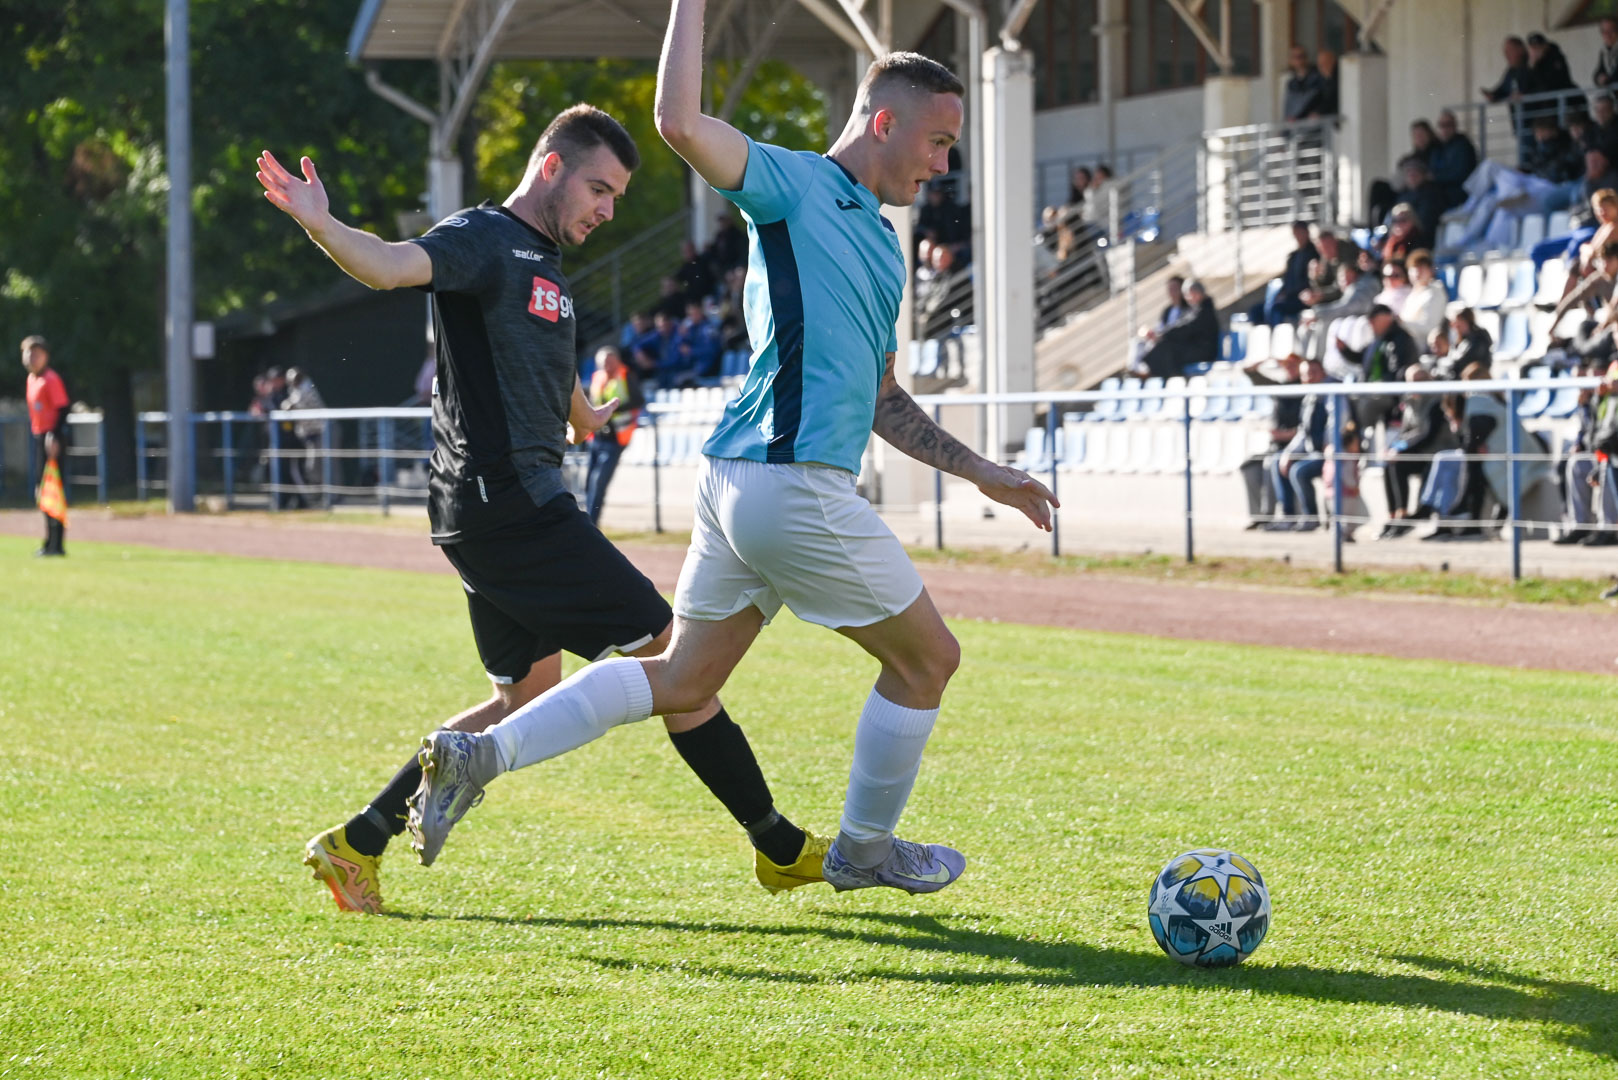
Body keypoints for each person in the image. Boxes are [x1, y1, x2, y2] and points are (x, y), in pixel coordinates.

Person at [406, 25, 1058, 896]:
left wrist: (984, 472)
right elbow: (678, 122)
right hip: (792, 483)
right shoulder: (795, 182)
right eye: (938, 142)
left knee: (682, 680)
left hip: (738, 484)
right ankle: (864, 852)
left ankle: (479, 754)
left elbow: (881, 398)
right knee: (927, 661)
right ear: (884, 123)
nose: (944, 165)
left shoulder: (881, 244)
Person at [256, 105, 823, 914]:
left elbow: (543, 365)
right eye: (600, 188)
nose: (608, 209)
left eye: (617, 197)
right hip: (509, 504)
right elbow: (387, 266)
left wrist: (587, 412)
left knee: (524, 696)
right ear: (552, 168)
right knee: (679, 659)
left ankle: (357, 843)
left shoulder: (544, 261)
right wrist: (322, 224)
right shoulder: (483, 238)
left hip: (494, 508)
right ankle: (778, 846)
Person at [1377, 365, 1459, 539]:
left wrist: (1400, 449)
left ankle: (1404, 516)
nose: (1417, 384)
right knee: (1389, 464)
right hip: (1419, 451)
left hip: (1436, 451)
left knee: (1398, 463)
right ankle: (1394, 516)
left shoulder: (1436, 400)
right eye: (1412, 381)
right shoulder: (1409, 401)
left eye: (1421, 379)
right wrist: (1393, 447)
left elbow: (1427, 434)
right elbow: (1405, 431)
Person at [1239, 352, 1302, 529]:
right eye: (1286, 365)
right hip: (1277, 445)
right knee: (1249, 466)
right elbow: (1249, 372)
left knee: (1270, 464)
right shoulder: (1281, 388)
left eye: (1293, 365)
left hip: (1296, 446)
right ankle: (1258, 515)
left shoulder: (1307, 389)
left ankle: (1269, 516)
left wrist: (1288, 435)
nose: (1289, 369)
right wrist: (1267, 359)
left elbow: (1309, 428)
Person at [22, 336, 69, 557]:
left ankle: (57, 544)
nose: (32, 358)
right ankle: (49, 542)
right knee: (42, 491)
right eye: (29, 353)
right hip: (39, 436)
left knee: (53, 490)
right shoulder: (31, 379)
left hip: (52, 440)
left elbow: (63, 409)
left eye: (36, 354)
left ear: (46, 357)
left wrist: (54, 436)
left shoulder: (50, 379)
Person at [583, 345, 642, 525]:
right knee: (588, 483)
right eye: (603, 363)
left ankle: (592, 524)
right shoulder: (597, 378)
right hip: (596, 437)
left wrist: (611, 409)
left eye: (610, 361)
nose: (607, 366)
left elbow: (638, 400)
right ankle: (586, 523)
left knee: (598, 483)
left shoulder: (626, 376)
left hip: (616, 439)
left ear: (617, 360)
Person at [1135, 279, 1218, 379]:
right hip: (1195, 348)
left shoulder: (1205, 311)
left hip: (1204, 351)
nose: (1187, 298)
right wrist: (1162, 334)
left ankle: (1169, 378)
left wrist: (1163, 335)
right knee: (1164, 346)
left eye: (1188, 294)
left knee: (1167, 349)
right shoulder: (1196, 309)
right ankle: (1156, 375)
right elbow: (1182, 324)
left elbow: (1187, 328)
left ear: (1196, 293)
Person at [1596, 17, 1618, 89]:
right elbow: (1599, 71)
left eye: (1611, 31)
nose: (1608, 35)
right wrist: (1599, 78)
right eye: (1604, 32)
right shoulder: (1604, 51)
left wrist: (1607, 79)